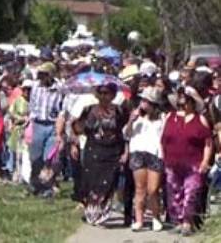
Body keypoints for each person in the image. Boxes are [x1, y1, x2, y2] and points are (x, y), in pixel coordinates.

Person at [72, 83, 128, 226]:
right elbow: (78, 128)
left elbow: (125, 132)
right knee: (91, 181)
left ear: (113, 95)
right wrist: (78, 130)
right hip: (93, 150)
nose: (103, 96)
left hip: (113, 151)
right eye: (101, 93)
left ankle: (103, 210)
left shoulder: (120, 111)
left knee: (109, 182)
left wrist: (125, 151)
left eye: (107, 93)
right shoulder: (89, 110)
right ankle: (91, 212)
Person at [161, 86, 214, 237]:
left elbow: (208, 143)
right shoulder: (169, 117)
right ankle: (178, 221)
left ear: (192, 103)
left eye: (185, 102)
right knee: (174, 193)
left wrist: (205, 161)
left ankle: (187, 222)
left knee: (191, 193)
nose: (182, 106)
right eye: (180, 103)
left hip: (193, 163)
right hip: (172, 162)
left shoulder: (200, 119)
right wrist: (163, 157)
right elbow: (163, 139)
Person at [125, 86, 166, 232]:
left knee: (153, 189)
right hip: (138, 152)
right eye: (142, 100)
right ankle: (139, 219)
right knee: (140, 188)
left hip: (155, 153)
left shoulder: (162, 118)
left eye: (146, 101)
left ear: (153, 104)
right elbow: (127, 134)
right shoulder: (137, 117)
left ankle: (156, 217)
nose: (143, 104)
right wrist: (131, 120)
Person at [28, 62, 65, 197]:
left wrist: (60, 128)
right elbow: (32, 104)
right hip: (38, 124)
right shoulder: (35, 86)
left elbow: (63, 108)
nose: (41, 78)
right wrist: (30, 120)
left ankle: (47, 187)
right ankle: (34, 183)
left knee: (49, 158)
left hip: (53, 125)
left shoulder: (60, 88)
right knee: (35, 157)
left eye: (44, 75)